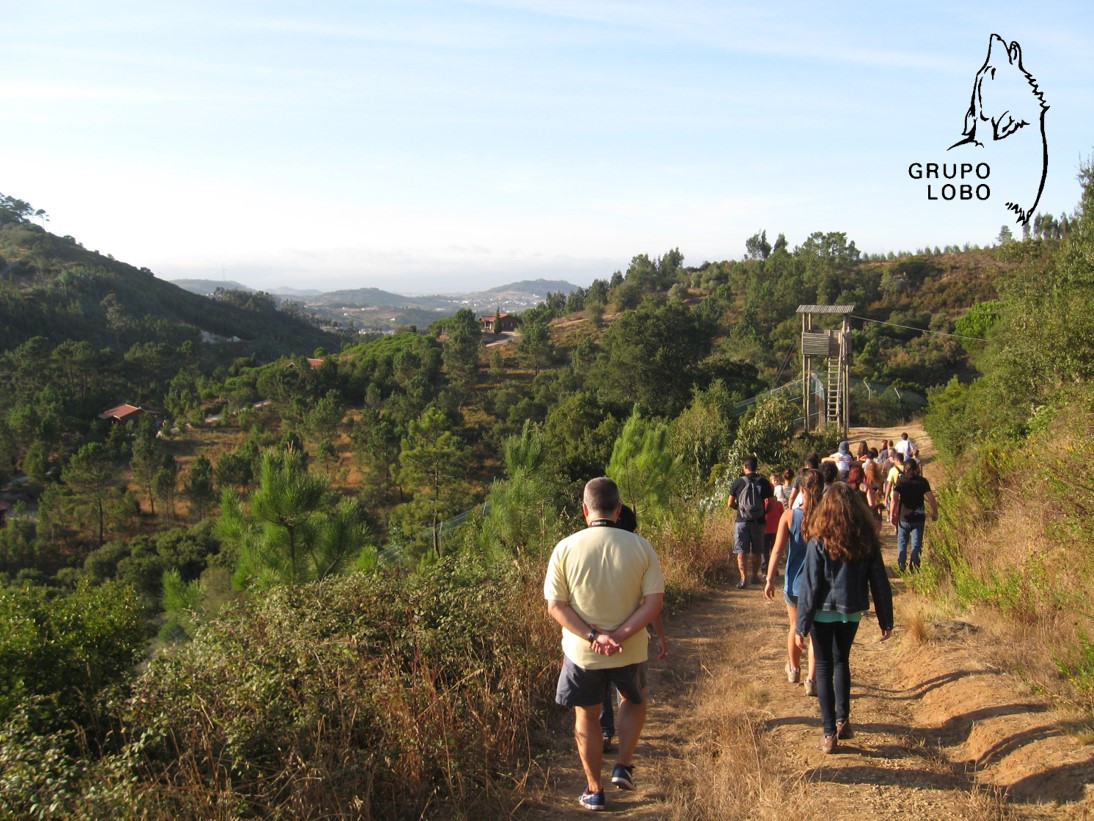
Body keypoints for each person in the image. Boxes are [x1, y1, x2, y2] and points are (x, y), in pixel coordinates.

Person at [544, 478, 665, 811]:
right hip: (630, 649)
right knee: (633, 700)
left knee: (588, 714)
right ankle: (623, 765)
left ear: (585, 510)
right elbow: (653, 603)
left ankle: (594, 789)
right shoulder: (641, 547)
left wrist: (593, 636)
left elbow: (556, 606)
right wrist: (620, 635)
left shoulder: (565, 548)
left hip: (584, 653)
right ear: (619, 509)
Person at [795, 483, 894, 753]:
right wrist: (886, 619)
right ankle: (843, 722)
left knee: (824, 666)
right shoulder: (865, 539)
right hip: (851, 611)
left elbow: (811, 585)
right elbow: (879, 581)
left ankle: (829, 734)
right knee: (841, 662)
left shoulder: (818, 540)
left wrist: (801, 625)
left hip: (822, 612)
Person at [600, 504, 669, 753]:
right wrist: (660, 635)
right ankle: (625, 744)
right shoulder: (639, 552)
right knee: (629, 693)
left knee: (601, 688)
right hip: (629, 638)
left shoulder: (595, 551)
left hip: (597, 638)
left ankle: (605, 732)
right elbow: (651, 604)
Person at [764, 468, 825, 694]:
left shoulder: (790, 516)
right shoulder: (827, 516)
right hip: (820, 584)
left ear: (801, 490)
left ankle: (794, 668)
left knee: (794, 626)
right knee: (816, 632)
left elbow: (777, 550)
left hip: (795, 584)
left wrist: (770, 578)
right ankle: (812, 680)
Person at [728, 456, 774, 588]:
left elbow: (730, 503)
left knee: (741, 551)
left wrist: (739, 509)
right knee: (757, 550)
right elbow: (771, 503)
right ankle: (754, 576)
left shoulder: (738, 482)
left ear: (745, 467)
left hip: (741, 521)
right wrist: (763, 512)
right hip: (758, 522)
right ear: (756, 467)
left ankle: (743, 579)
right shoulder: (764, 482)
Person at [890, 458, 938, 572]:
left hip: (904, 518)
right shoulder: (922, 481)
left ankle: (901, 563)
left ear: (905, 469)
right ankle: (915, 566)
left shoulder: (901, 481)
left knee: (902, 542)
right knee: (916, 544)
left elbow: (894, 499)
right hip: (918, 518)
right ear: (916, 469)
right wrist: (935, 512)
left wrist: (892, 514)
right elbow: (931, 498)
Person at [761, 478, 785, 581]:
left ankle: (765, 571)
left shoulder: (763, 502)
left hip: (765, 530)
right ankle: (772, 570)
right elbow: (782, 517)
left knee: (765, 551)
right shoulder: (778, 503)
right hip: (775, 530)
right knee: (774, 550)